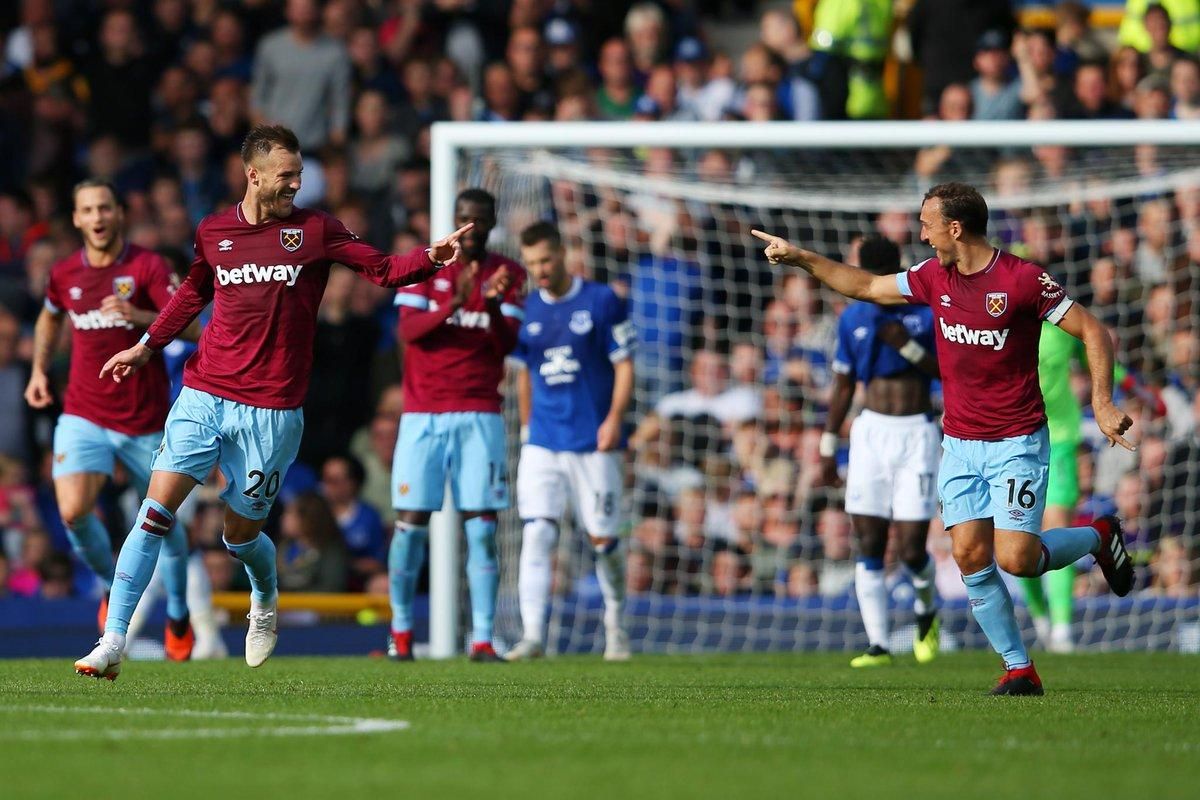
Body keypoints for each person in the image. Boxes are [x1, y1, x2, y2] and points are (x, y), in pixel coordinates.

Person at [73, 124, 472, 680]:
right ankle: (113, 639)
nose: (296, 185)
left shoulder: (316, 230)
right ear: (253, 175)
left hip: (273, 412)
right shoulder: (214, 231)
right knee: (154, 514)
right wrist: (146, 346)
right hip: (206, 393)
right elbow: (193, 291)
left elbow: (382, 270)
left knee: (239, 536)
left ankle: (265, 596)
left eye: (300, 174)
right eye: (287, 176)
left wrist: (432, 256)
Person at [752, 182, 1136, 696]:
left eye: (927, 223)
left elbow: (1094, 331)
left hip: (1016, 441)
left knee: (1017, 560)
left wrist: (1103, 402)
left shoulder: (1022, 281)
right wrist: (801, 258)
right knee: (970, 555)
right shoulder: (935, 277)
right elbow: (866, 286)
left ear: (956, 228)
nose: (921, 233)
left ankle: (1098, 536)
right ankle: (1019, 668)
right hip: (958, 443)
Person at [26, 179, 202, 661]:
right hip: (84, 411)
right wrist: (40, 369)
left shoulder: (146, 266)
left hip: (144, 420)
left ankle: (180, 611)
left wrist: (138, 312)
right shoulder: (64, 273)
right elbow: (49, 316)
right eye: (88, 209)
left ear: (118, 214)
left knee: (163, 522)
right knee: (72, 513)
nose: (98, 216)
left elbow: (191, 324)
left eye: (105, 207)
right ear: (78, 219)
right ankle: (111, 585)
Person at [387, 188, 525, 663]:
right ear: (454, 220)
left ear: (491, 223)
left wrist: (487, 303)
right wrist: (454, 302)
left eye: (480, 220)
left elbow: (505, 345)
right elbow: (407, 333)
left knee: (482, 526)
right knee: (410, 524)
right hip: (422, 412)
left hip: (479, 411)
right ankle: (401, 635)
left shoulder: (508, 274)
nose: (471, 229)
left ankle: (483, 639)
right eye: (464, 219)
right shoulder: (423, 265)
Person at [505, 222, 636, 662]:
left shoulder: (601, 301)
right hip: (543, 440)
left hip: (593, 442)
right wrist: (527, 429)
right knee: (538, 533)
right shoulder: (526, 310)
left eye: (545, 260)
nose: (539, 270)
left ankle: (616, 622)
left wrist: (614, 420)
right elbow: (523, 374)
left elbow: (624, 364)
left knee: (604, 540)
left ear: (562, 254)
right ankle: (533, 636)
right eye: (532, 263)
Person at [822, 235, 942, 668]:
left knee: (911, 549)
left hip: (917, 432)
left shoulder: (922, 313)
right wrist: (826, 444)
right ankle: (878, 644)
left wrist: (905, 346)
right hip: (870, 432)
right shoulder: (852, 316)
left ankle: (926, 609)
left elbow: (944, 370)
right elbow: (842, 385)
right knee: (869, 540)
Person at [1020, 323, 1163, 652]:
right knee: (1019, 537)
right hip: (1015, 443)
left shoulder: (1061, 326)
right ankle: (1041, 616)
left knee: (1055, 524)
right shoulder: (1003, 324)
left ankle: (1062, 630)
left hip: (1059, 440)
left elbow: (1099, 358)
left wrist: (1139, 391)